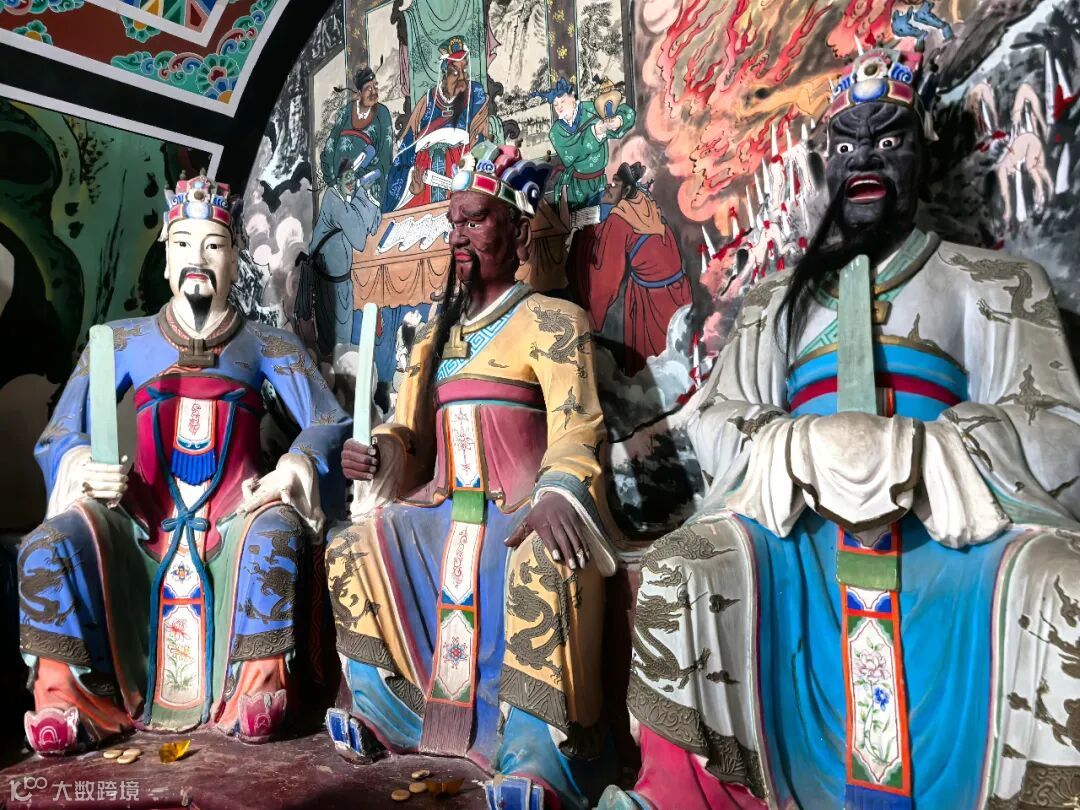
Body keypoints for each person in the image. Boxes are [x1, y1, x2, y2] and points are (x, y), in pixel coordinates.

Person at [601, 46, 1080, 809]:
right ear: (824, 165)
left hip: (950, 539)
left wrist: (927, 450)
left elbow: (1060, 429)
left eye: (890, 139)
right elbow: (715, 422)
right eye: (847, 143)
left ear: (924, 157)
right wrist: (795, 445)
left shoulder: (992, 283)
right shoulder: (773, 301)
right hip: (798, 534)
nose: (867, 157)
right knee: (678, 569)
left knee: (1066, 582)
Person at [325, 143, 621, 809]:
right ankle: (383, 709)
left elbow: (577, 427)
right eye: (453, 222)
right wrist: (376, 455)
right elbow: (405, 433)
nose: (459, 235)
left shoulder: (553, 321)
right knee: (351, 543)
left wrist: (557, 493)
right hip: (441, 513)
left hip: (517, 511)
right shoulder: (431, 338)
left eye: (477, 219)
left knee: (546, 559)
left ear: (518, 233)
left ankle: (537, 752)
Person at [20, 175, 351, 753]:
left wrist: (292, 466)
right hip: (139, 516)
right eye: (183, 244)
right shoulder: (117, 342)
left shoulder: (269, 344)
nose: (197, 258)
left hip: (235, 511)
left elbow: (328, 420)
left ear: (234, 257)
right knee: (48, 545)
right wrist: (82, 464)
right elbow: (59, 432)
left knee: (274, 534)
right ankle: (67, 701)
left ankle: (257, 692)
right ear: (167, 258)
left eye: (214, 245)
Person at [568, 162, 692, 374]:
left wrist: (592, 318)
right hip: (679, 292)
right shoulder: (644, 202)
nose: (608, 188)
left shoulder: (619, 220)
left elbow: (605, 279)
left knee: (656, 367)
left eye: (614, 185)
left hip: (652, 304)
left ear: (626, 191)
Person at [385, 36, 489, 210]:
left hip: (462, 171)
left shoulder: (475, 93)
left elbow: (480, 141)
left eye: (464, 70)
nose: (461, 77)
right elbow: (407, 150)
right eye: (455, 72)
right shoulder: (427, 101)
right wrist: (411, 186)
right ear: (444, 74)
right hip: (425, 182)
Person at [309, 162, 383, 359]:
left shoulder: (343, 202)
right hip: (329, 284)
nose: (352, 181)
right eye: (347, 176)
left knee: (341, 342)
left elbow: (368, 226)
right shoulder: (333, 200)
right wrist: (363, 195)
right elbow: (358, 238)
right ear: (338, 180)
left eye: (353, 176)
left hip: (340, 282)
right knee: (335, 344)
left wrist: (369, 198)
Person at [539, 78, 635, 210]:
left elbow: (628, 113)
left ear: (573, 98)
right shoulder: (555, 132)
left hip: (600, 183)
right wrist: (595, 132)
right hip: (576, 186)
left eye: (562, 101)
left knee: (603, 215)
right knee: (579, 217)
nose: (559, 107)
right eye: (555, 104)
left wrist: (618, 121)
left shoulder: (592, 109)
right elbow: (570, 156)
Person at [320, 67, 394, 210]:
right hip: (337, 186)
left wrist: (357, 180)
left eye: (375, 86)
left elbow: (385, 157)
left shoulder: (382, 114)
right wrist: (333, 181)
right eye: (368, 88)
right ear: (359, 93)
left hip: (365, 188)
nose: (374, 92)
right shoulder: (346, 112)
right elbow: (330, 146)